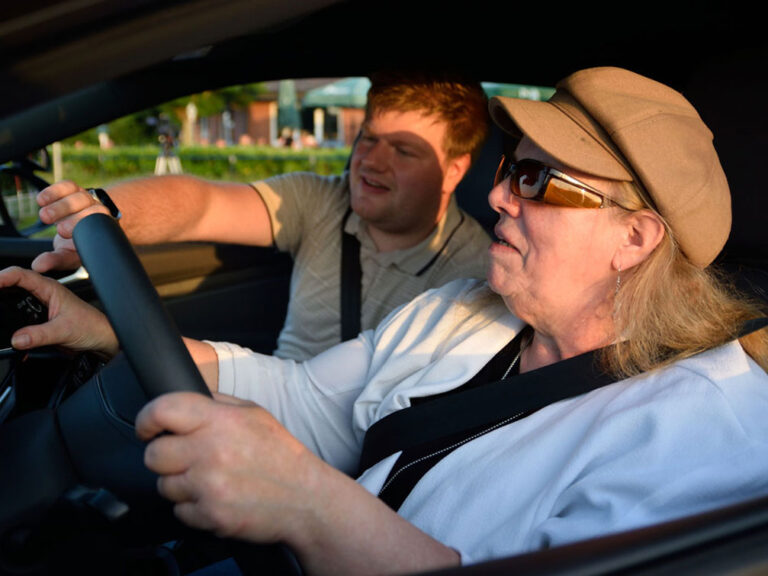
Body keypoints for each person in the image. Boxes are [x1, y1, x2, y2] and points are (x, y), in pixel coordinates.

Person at [3, 66, 768, 575]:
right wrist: (110, 335)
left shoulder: (708, 431)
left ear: (635, 239)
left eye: (538, 181)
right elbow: (306, 400)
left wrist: (310, 503)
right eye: (512, 168)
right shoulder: (465, 309)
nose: (499, 197)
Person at [30, 72, 492, 361]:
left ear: (454, 171)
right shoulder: (321, 200)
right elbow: (201, 204)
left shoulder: (477, 275)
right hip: (263, 414)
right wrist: (100, 216)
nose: (372, 160)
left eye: (404, 151)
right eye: (368, 138)